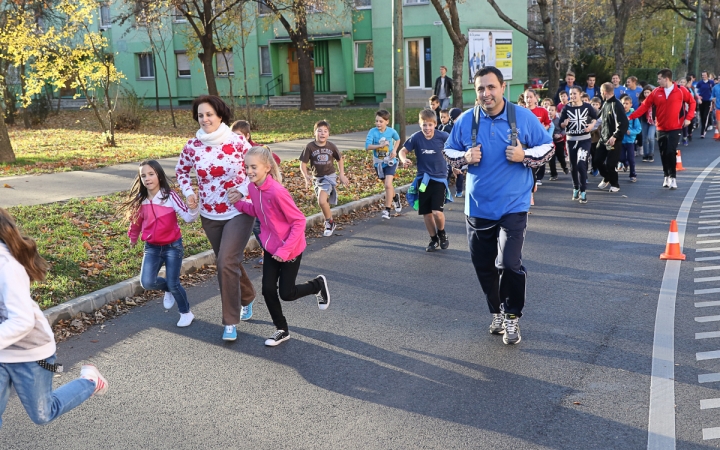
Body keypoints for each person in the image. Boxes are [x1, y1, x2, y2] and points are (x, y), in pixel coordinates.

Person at [443, 66, 554, 345]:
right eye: (481, 88)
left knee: (508, 262)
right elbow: (449, 151)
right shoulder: (467, 120)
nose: (486, 93)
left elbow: (547, 147)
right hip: (478, 206)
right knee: (484, 266)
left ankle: (512, 318)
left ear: (503, 88)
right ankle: (496, 312)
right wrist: (465, 156)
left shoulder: (523, 118)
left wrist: (523, 154)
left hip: (514, 205)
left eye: (491, 87)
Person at [0, 208, 108, 428]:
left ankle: (89, 381)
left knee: (43, 413)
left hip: (31, 353)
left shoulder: (6, 266)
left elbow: (22, 321)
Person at [229, 147, 330, 347]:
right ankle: (281, 329)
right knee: (267, 289)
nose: (249, 171)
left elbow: (299, 221)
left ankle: (317, 285)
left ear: (267, 168)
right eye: (247, 166)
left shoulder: (277, 192)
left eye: (253, 167)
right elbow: (258, 211)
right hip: (270, 248)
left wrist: (284, 251)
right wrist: (239, 204)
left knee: (287, 293)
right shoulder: (252, 188)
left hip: (290, 249)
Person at [175, 95, 256, 341]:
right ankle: (247, 295)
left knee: (225, 262)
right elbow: (181, 172)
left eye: (209, 114)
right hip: (209, 214)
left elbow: (256, 167)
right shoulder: (192, 146)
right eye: (200, 115)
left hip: (239, 210)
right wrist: (189, 193)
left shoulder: (238, 141)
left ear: (220, 115)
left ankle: (230, 321)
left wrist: (242, 190)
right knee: (228, 261)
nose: (205, 119)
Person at [124, 160, 199, 327]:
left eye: (151, 174)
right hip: (151, 247)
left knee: (174, 282)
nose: (147, 178)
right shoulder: (140, 200)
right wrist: (133, 238)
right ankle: (168, 290)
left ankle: (186, 313)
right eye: (143, 175)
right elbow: (135, 223)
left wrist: (194, 208)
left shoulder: (169, 196)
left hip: (173, 246)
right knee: (147, 282)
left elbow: (188, 218)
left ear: (159, 175)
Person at [630, 69, 695, 190]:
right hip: (660, 127)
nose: (657, 81)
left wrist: (689, 118)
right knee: (663, 152)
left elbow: (692, 102)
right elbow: (644, 106)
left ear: (666, 79)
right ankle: (666, 175)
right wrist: (630, 116)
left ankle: (673, 177)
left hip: (675, 126)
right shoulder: (656, 92)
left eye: (659, 78)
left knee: (671, 150)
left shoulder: (681, 91)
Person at [400, 109, 452, 252]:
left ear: (435, 124)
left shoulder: (443, 136)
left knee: (437, 212)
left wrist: (457, 165)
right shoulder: (416, 137)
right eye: (424, 125)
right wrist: (404, 159)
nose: (427, 128)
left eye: (430, 125)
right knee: (427, 213)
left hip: (439, 179)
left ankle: (442, 233)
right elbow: (402, 151)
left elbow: (454, 148)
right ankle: (433, 238)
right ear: (420, 124)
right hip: (423, 180)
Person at [231, 120, 281, 265]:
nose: (236, 139)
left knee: (263, 224)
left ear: (247, 136)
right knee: (256, 226)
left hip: (262, 196)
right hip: (247, 198)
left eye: (239, 135)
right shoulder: (234, 151)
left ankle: (273, 249)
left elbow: (274, 159)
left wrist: (267, 175)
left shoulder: (257, 150)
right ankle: (268, 250)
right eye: (233, 135)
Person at [299, 120, 349, 238]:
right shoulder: (310, 147)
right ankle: (330, 220)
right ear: (314, 133)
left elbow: (339, 159)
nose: (322, 133)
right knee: (323, 202)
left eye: (325, 131)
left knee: (321, 201)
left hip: (329, 176)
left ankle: (329, 222)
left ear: (328, 134)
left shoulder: (331, 146)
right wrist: (306, 176)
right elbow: (303, 164)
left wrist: (342, 174)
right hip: (317, 178)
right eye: (319, 131)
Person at [559, 85, 597, 203]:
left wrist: (591, 126)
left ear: (580, 94)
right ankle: (575, 187)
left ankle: (583, 191)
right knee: (573, 166)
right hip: (571, 140)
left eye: (575, 94)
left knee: (581, 164)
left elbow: (596, 118)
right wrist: (564, 124)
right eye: (571, 94)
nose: (572, 96)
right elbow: (560, 124)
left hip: (585, 139)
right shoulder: (566, 108)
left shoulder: (587, 107)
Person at [365, 110, 402, 219]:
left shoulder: (391, 131)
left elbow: (398, 139)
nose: (378, 124)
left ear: (387, 122)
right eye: (376, 121)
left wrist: (395, 150)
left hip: (390, 162)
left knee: (387, 185)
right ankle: (395, 197)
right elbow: (367, 146)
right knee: (388, 185)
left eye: (381, 121)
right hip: (379, 164)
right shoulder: (372, 132)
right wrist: (379, 146)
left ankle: (387, 210)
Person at [595, 82, 629, 193]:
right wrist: (588, 128)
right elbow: (599, 120)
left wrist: (615, 136)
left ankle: (615, 184)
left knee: (611, 164)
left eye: (601, 92)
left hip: (613, 140)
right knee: (597, 161)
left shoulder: (616, 105)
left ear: (604, 92)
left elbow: (623, 123)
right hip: (603, 138)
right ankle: (606, 177)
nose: (600, 94)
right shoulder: (605, 104)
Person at [618, 97, 641, 182]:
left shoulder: (633, 115)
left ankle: (633, 174)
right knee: (621, 158)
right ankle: (625, 163)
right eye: (623, 103)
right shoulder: (619, 114)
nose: (625, 105)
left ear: (631, 105)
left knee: (631, 158)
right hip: (620, 140)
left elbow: (638, 129)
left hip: (630, 141)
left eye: (627, 103)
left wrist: (630, 132)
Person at [547, 103, 569, 181]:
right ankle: (553, 174)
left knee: (561, 157)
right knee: (551, 159)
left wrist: (560, 135)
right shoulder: (546, 120)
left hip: (559, 141)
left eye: (552, 110)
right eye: (549, 109)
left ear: (556, 111)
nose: (550, 111)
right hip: (550, 143)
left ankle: (564, 167)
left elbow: (564, 130)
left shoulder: (558, 120)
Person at [637, 86, 657, 162]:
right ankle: (645, 154)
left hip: (653, 121)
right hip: (644, 121)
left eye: (648, 92)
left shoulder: (655, 101)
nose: (646, 94)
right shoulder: (642, 102)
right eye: (645, 93)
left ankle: (651, 154)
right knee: (644, 138)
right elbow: (639, 112)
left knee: (650, 137)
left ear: (651, 93)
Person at [697, 71, 715, 138]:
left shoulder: (711, 82)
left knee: (705, 116)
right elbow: (697, 91)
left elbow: (713, 91)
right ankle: (703, 127)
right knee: (702, 116)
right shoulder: (700, 83)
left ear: (707, 75)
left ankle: (703, 131)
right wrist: (698, 97)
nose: (703, 76)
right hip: (701, 101)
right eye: (702, 75)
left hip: (708, 101)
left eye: (704, 75)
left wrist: (712, 98)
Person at [589, 97, 603, 176]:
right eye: (593, 104)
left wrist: (592, 129)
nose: (594, 106)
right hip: (588, 137)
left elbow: (600, 125)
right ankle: (592, 167)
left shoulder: (600, 113)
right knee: (589, 154)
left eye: (596, 104)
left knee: (595, 154)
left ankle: (595, 168)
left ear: (599, 105)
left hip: (596, 137)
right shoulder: (588, 112)